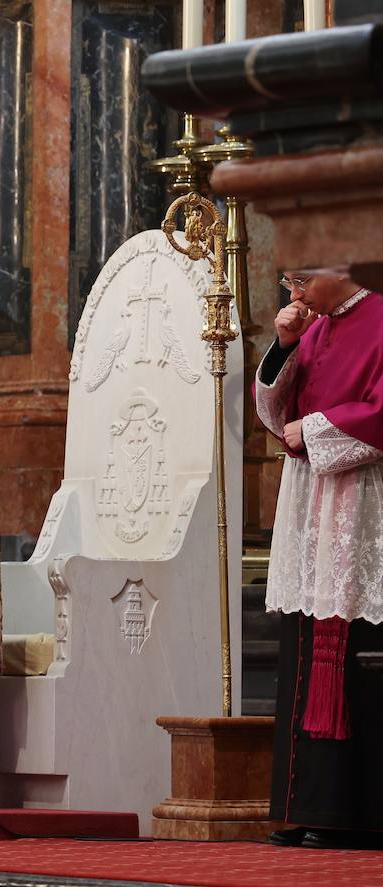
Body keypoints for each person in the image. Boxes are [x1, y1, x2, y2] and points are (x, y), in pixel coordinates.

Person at [256, 272, 383, 849]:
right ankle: (304, 807)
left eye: (305, 272)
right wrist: (283, 347)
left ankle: (354, 814)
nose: (295, 283)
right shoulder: (311, 330)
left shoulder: (379, 317)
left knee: (354, 653)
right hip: (308, 506)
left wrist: (314, 429)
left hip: (358, 505)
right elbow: (272, 415)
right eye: (290, 275)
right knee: (304, 647)